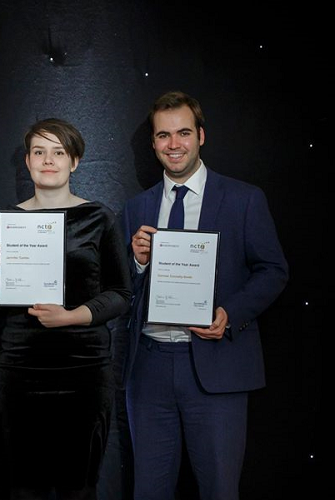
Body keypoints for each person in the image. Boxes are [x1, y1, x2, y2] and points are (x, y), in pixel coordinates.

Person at [122, 91, 288, 500]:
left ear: (201, 135)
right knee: (149, 491)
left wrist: (229, 314)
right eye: (163, 136)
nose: (173, 144)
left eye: (182, 133)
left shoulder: (244, 199)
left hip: (216, 368)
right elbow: (121, 290)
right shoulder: (136, 207)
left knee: (218, 490)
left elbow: (273, 270)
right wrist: (138, 263)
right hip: (150, 370)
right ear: (154, 143)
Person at [0, 119, 131, 499]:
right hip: (19, 368)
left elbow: (120, 293)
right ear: (28, 162)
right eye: (39, 152)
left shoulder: (99, 218)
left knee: (77, 486)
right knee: (23, 486)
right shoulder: (7, 222)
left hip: (83, 368)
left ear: (74, 161)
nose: (48, 160)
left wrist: (72, 315)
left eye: (58, 152)